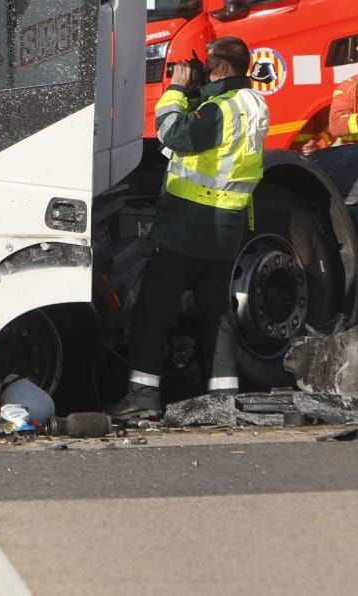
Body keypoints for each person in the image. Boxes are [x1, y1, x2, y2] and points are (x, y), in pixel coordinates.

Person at [110, 35, 268, 421]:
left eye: (209, 65)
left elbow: (174, 135)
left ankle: (143, 397)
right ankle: (222, 401)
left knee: (154, 309)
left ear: (225, 67)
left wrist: (176, 92)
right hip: (226, 227)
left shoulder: (219, 111)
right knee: (216, 313)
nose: (203, 71)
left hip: (191, 226)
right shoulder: (251, 104)